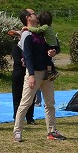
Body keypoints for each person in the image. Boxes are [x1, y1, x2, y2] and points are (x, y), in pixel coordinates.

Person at [14, 8, 66, 142]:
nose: (36, 15)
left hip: (47, 73)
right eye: (33, 13)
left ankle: (52, 131)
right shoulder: (27, 34)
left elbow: (55, 45)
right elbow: (28, 56)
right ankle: (17, 132)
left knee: (50, 103)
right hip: (35, 73)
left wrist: (54, 51)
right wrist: (31, 75)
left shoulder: (42, 30)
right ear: (27, 18)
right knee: (25, 103)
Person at [8, 28, 37, 129]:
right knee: (17, 97)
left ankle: (30, 117)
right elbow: (18, 61)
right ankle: (17, 117)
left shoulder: (30, 48)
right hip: (18, 75)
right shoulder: (16, 48)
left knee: (30, 97)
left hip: (29, 74)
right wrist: (25, 61)